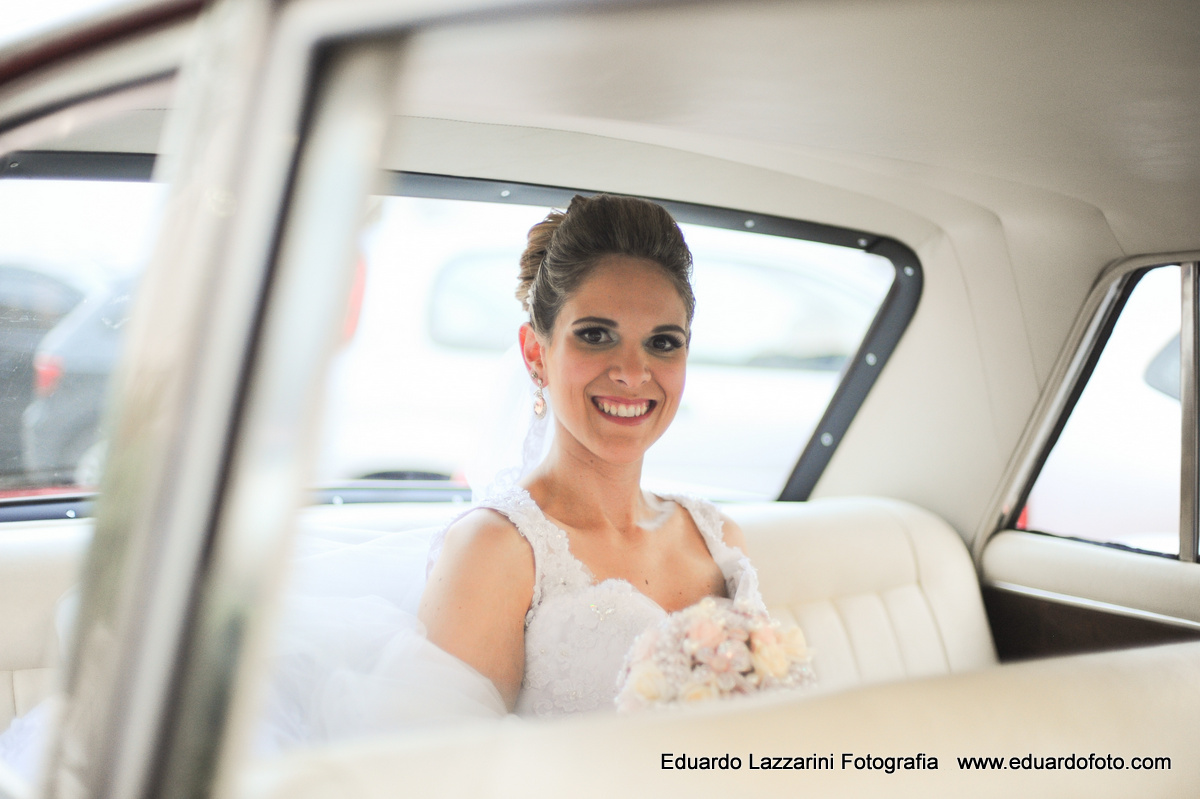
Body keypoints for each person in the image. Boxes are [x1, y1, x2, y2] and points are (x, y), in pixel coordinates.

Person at [419, 193, 762, 717]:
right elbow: (451, 773)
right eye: (596, 335)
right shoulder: (495, 551)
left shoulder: (718, 539)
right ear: (537, 354)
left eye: (663, 342)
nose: (631, 371)